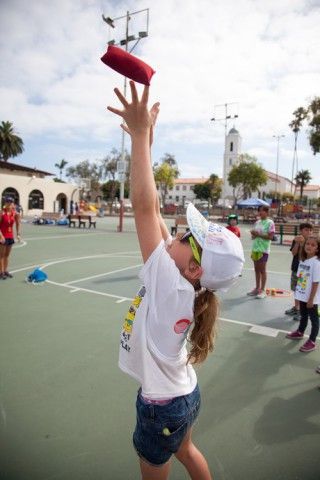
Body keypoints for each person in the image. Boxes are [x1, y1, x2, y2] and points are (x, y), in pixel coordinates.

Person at [108, 81, 244, 480]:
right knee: (186, 450)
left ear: (195, 269)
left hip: (161, 405)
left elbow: (145, 206)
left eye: (188, 236)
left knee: (158, 466)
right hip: (185, 395)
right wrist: (146, 138)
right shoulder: (183, 277)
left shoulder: (169, 280)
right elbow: (156, 214)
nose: (179, 233)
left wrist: (137, 137)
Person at [286, 236, 320, 352]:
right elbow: (301, 278)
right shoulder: (303, 260)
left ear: (317, 249)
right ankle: (300, 332)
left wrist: (311, 299)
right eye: (307, 244)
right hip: (302, 295)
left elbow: (316, 283)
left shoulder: (316, 263)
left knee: (314, 319)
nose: (309, 246)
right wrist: (298, 292)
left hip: (311, 298)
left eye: (313, 245)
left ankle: (312, 341)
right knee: (303, 316)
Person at [284, 223, 313, 321]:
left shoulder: (310, 243)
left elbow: (306, 256)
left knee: (303, 290)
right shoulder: (296, 240)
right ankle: (296, 308)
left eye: (310, 230)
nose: (308, 232)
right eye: (306, 230)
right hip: (296, 269)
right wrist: (297, 243)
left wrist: (303, 244)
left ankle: (302, 311)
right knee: (296, 290)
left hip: (305, 271)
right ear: (301, 231)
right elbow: (293, 253)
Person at [247, 205, 275, 299]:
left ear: (267, 212)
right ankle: (257, 289)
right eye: (259, 211)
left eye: (262, 211)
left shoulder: (270, 222)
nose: (260, 212)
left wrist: (258, 234)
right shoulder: (257, 222)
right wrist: (253, 234)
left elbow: (271, 237)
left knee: (262, 270)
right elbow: (254, 237)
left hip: (264, 249)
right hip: (255, 249)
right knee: (256, 270)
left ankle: (262, 290)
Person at [0, 196, 21, 279]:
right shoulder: (2, 213)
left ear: (13, 204)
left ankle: (5, 271)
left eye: (11, 202)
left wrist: (18, 234)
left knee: (7, 255)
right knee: (1, 255)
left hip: (10, 236)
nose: (9, 203)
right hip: (2, 236)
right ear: (5, 203)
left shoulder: (15, 213)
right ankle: (1, 272)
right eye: (7, 202)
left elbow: (18, 224)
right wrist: (1, 236)